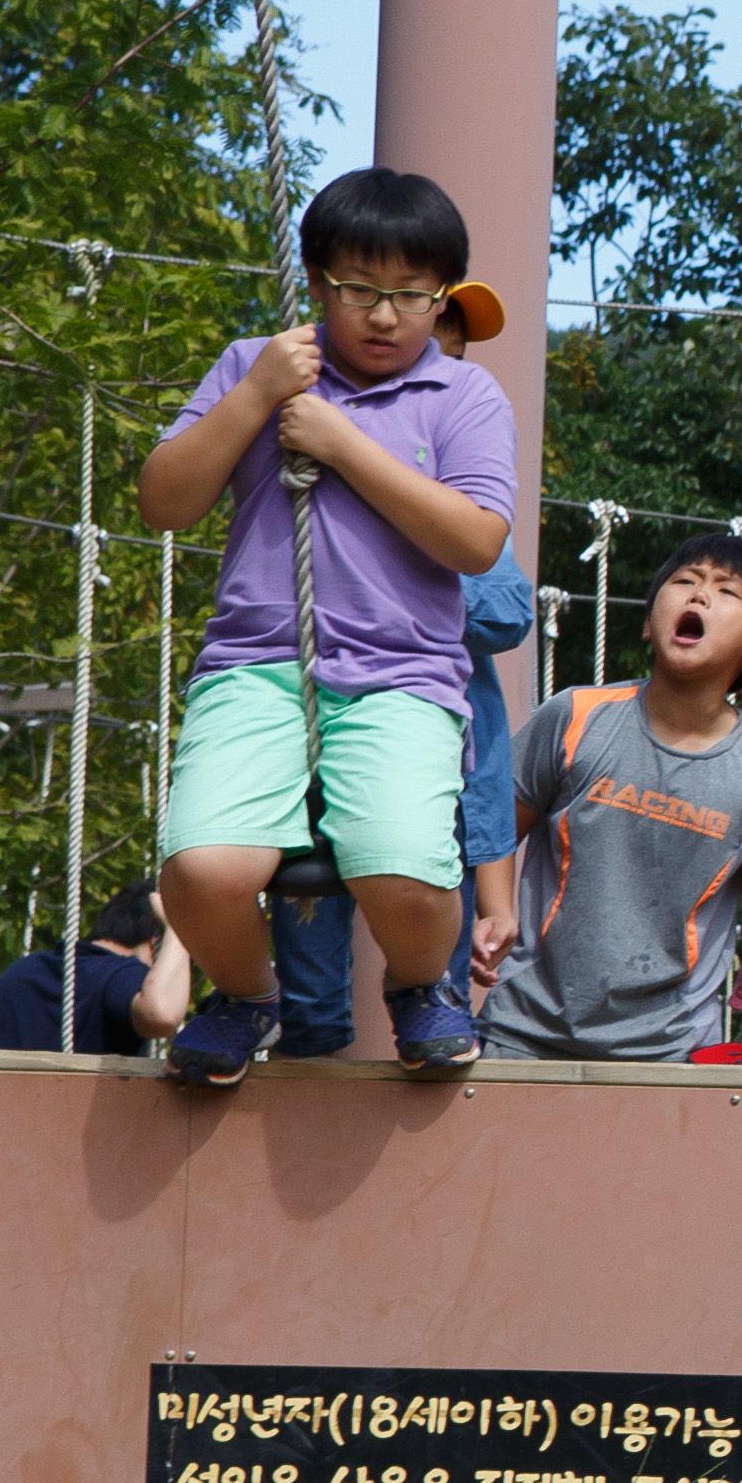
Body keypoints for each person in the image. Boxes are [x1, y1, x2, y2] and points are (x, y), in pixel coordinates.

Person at [137, 171, 523, 1081]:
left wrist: (344, 444)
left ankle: (420, 986)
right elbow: (164, 501)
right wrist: (260, 392)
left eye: (411, 295)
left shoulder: (465, 398)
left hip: (402, 675)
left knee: (404, 870)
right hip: (258, 662)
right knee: (198, 871)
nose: (385, 315)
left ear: (443, 296)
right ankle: (246, 993)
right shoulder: (256, 365)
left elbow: (476, 541)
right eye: (359, 289)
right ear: (316, 282)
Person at [475, 532, 742, 1065]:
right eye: (684, 581)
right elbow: (497, 821)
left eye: (726, 591)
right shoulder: (575, 717)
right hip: (523, 1032)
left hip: (669, 1052)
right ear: (647, 622)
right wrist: (496, 910)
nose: (698, 596)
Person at [261, 552, 531, 1058]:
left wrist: (382, 576)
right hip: (319, 770)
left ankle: (425, 1014)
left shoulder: (438, 510)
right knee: (308, 1009)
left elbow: (508, 612)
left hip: (435, 780)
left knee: (437, 1007)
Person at [0, 873, 185, 1053]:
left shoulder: (21, 972)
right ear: (155, 941)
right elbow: (161, 1013)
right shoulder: (123, 974)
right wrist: (178, 932)